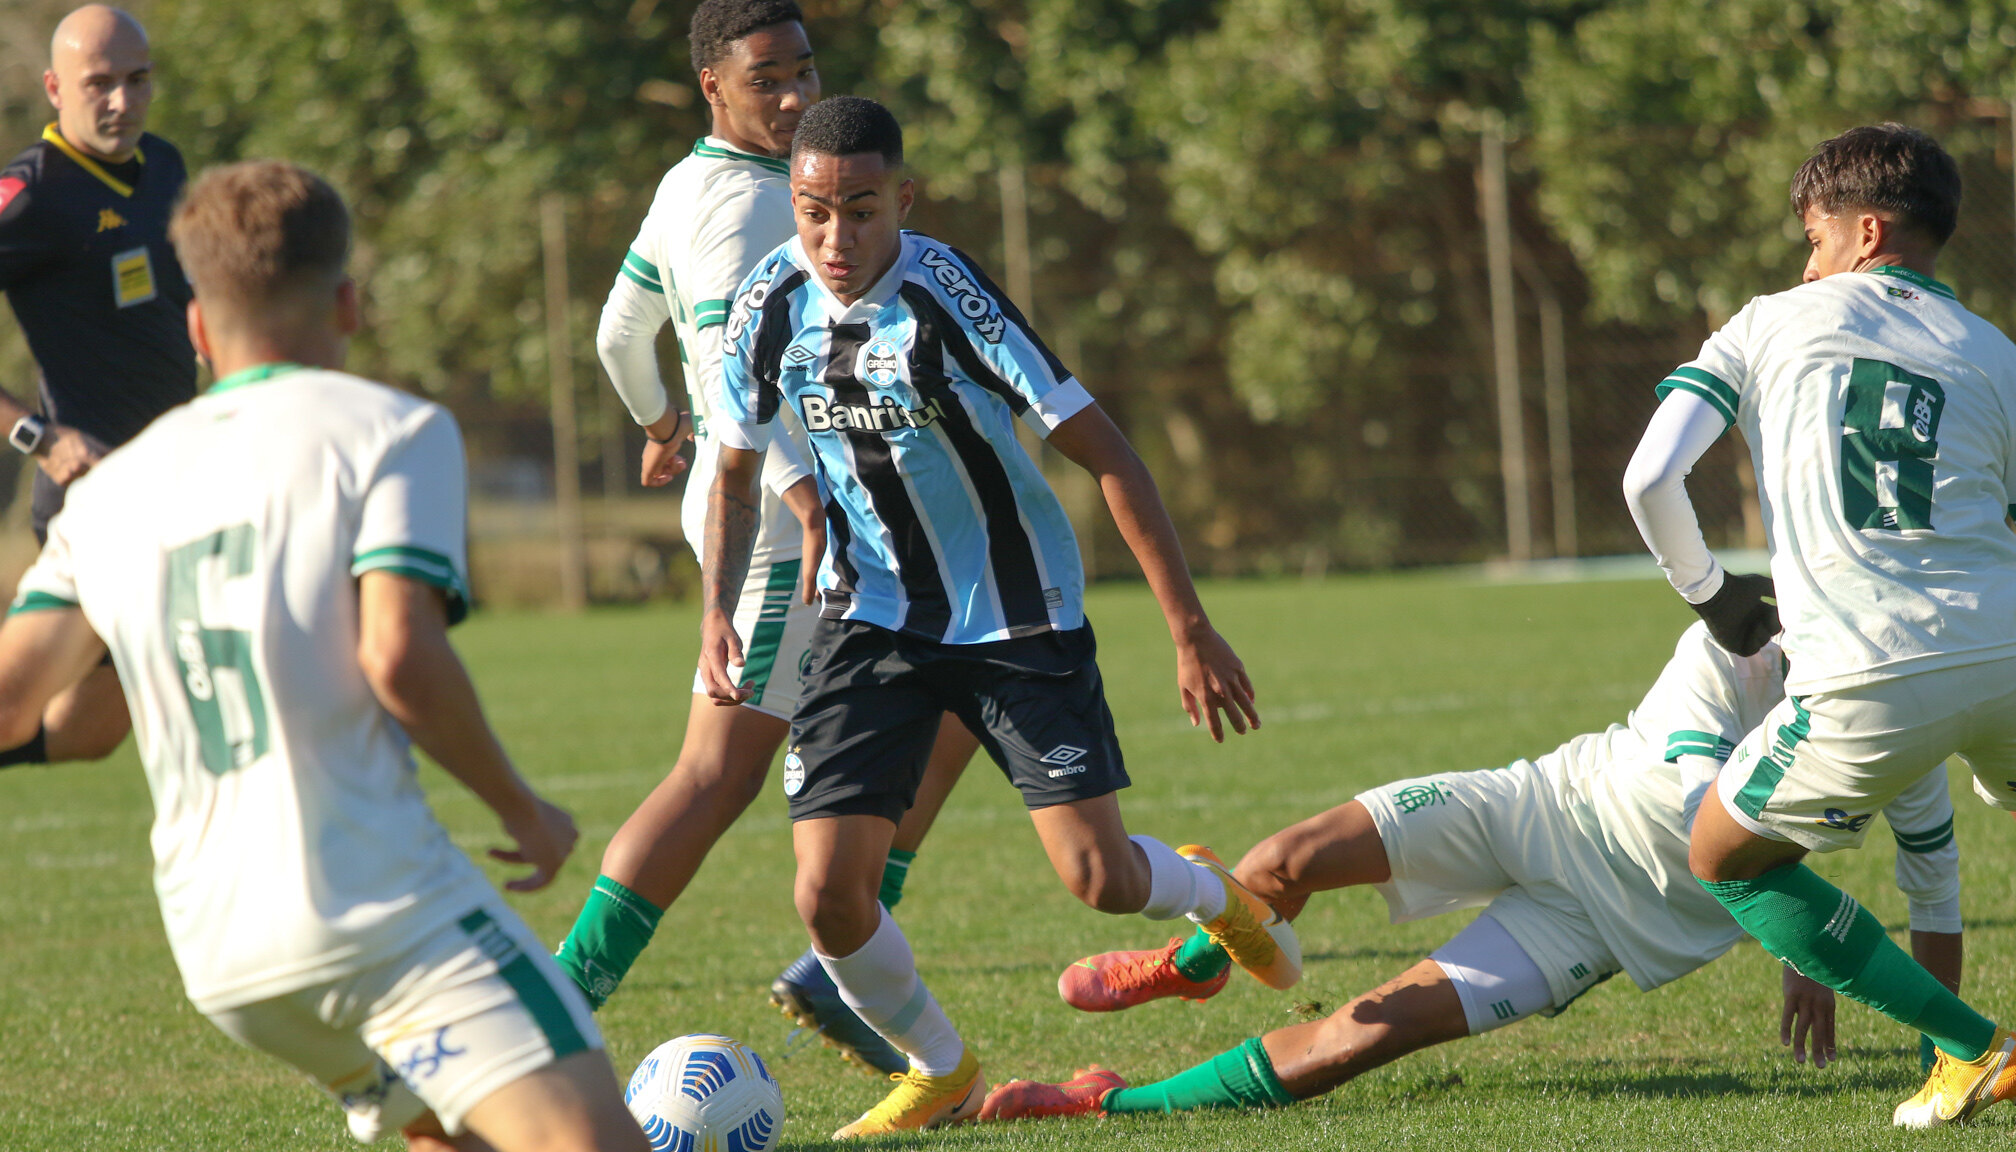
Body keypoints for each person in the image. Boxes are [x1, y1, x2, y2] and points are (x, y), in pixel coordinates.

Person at [0, 160, 646, 1152]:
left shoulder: (107, 495)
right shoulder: (389, 430)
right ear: (348, 302)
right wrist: (523, 811)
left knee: (450, 1138)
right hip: (373, 909)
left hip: (222, 951)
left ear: (195, 326)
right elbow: (400, 657)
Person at [704, 94, 1291, 1137]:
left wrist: (1188, 627)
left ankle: (1207, 893)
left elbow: (1105, 450)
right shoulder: (768, 301)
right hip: (866, 616)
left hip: (1011, 616)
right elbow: (734, 467)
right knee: (830, 897)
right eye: (813, 212)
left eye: (862, 210)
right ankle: (942, 1071)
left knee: (1100, 880)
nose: (836, 239)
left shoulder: (947, 297)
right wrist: (716, 612)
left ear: (904, 200)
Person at [979, 623, 1965, 1119]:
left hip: (1610, 927)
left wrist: (1936, 1056)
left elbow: (1936, 898)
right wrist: (1786, 917)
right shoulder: (1732, 641)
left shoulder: (1901, 740)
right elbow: (1692, 803)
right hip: (1538, 804)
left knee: (1357, 1039)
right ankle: (1193, 964)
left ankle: (1102, 1101)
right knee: (1282, 861)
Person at [559, 0, 979, 1077]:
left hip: (764, 516)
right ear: (713, 86)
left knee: (953, 694)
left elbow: (618, 333)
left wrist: (661, 426)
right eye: (766, 81)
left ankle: (836, 959)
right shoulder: (759, 211)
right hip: (792, 531)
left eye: (802, 71)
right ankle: (569, 1001)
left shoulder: (683, 185)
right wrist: (798, 494)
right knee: (714, 772)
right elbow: (749, 382)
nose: (793, 97)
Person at [1623, 122, 2016, 1128]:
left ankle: (1972, 1048)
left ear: (1865, 230)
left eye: (1812, 232)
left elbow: (1650, 478)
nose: (1806, 260)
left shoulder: (1765, 322)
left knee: (1720, 855)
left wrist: (1714, 597)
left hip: (1869, 669)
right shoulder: (1994, 354)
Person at [0, 5, 196, 775]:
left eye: (137, 81)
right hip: (94, 501)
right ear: (53, 89)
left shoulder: (163, 167)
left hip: (175, 484)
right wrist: (37, 436)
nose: (121, 101)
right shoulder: (27, 194)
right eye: (98, 83)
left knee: (89, 732)